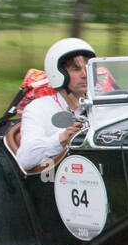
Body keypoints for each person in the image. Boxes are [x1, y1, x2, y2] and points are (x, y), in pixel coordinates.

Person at [16, 37, 94, 171]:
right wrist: (61, 138)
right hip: (54, 179)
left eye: (87, 67)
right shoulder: (38, 108)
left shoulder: (99, 106)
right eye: (76, 69)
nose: (84, 74)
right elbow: (24, 160)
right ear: (59, 73)